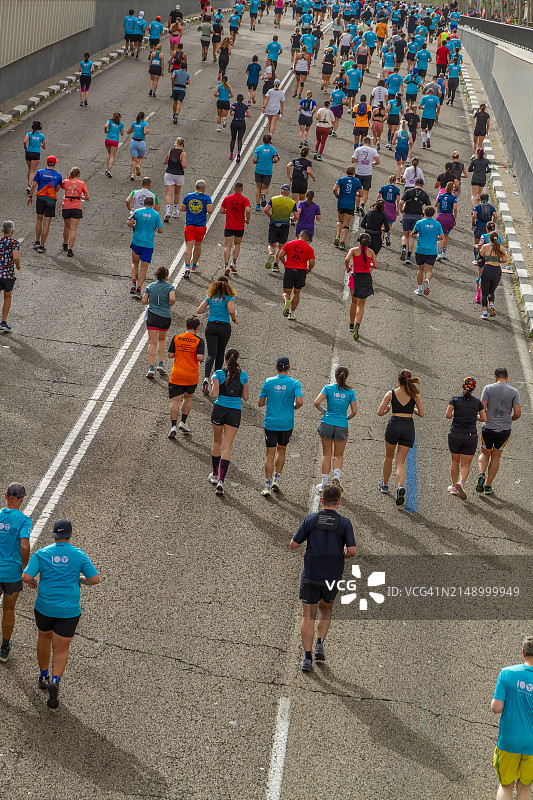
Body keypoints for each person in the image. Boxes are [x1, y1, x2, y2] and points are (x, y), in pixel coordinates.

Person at [22, 518, 99, 709]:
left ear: (53, 534)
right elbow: (95, 579)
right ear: (70, 535)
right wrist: (79, 580)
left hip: (45, 607)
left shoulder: (42, 553)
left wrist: (33, 582)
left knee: (44, 637)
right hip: (69, 610)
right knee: (62, 648)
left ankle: (43, 675)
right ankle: (55, 681)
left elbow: (26, 577)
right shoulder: (79, 555)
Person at [290, 483, 356, 672]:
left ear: (321, 501)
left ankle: (307, 658)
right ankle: (320, 643)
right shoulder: (344, 523)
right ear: (339, 502)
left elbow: (293, 544)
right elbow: (352, 550)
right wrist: (344, 552)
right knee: (325, 608)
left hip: (311, 573)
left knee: (307, 614)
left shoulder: (311, 519)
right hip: (332, 576)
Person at [491, 636, 533, 800]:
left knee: (506, 785)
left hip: (509, 742)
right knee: (524, 787)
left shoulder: (507, 673)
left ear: (523, 652)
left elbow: (496, 707)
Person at [377, 369, 424, 506]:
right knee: (400, 461)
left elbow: (380, 412)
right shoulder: (414, 395)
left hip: (394, 426)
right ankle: (400, 486)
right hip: (408, 428)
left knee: (388, 457)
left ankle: (385, 485)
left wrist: (388, 410)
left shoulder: (391, 394)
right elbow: (421, 413)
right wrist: (411, 409)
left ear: (398, 380)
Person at [258, 357, 304, 496]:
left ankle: (267, 485)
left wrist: (270, 400)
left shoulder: (268, 381)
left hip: (271, 423)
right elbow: (300, 402)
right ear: (289, 368)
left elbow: (260, 403)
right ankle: (276, 479)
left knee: (269, 453)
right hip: (286, 423)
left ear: (276, 367)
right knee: (282, 450)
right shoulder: (295, 383)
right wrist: (293, 407)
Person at [209, 348, 249, 495]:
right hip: (234, 412)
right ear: (237, 360)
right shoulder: (243, 375)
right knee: (227, 446)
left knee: (217, 442)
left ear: (224, 359)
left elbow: (215, 394)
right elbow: (245, 397)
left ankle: (214, 474)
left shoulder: (218, 373)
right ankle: (221, 480)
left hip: (219, 409)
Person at [477, 368, 521, 496]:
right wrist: (510, 419)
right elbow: (517, 413)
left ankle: (481, 474)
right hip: (504, 430)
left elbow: (482, 407)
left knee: (485, 453)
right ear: (507, 377)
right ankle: (488, 486)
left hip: (488, 427)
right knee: (496, 455)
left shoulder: (488, 388)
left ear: (495, 377)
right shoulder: (514, 392)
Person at [0, 482, 31, 663]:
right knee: (9, 609)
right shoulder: (24, 520)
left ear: (6, 496)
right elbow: (24, 546)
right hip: (12, 573)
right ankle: (4, 647)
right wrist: (24, 566)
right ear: (22, 499)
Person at [314, 366, 357, 492]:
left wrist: (323, 411)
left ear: (335, 375)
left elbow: (316, 402)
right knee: (338, 454)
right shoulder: (350, 392)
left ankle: (324, 483)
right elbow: (354, 411)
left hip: (327, 423)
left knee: (326, 454)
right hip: (342, 425)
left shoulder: (328, 388)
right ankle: (336, 477)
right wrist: (346, 418)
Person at [445, 378, 486, 499]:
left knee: (455, 460)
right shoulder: (477, 402)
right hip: (470, 436)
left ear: (462, 386)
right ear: (474, 389)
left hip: (455, 434)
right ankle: (461, 482)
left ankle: (453, 486)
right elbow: (484, 418)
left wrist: (456, 414)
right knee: (466, 463)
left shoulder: (455, 399)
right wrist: (474, 417)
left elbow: (448, 415)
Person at [197, 276, 238, 394]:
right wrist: (234, 319)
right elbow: (231, 310)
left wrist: (211, 307)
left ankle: (206, 378)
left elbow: (199, 310)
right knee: (220, 353)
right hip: (224, 326)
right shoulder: (229, 297)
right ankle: (216, 380)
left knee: (211, 354)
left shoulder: (211, 296)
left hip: (211, 326)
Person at [167, 316, 205, 438]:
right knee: (187, 398)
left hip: (177, 374)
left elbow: (170, 355)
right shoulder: (199, 341)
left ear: (186, 326)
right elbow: (200, 357)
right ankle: (183, 422)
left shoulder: (177, 338)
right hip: (191, 376)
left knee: (175, 400)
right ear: (198, 328)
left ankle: (173, 426)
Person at [142, 266, 176, 379]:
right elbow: (172, 299)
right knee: (161, 339)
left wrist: (151, 303)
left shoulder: (150, 286)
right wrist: (169, 305)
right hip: (165, 316)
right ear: (166, 276)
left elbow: (144, 301)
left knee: (152, 342)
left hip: (152, 316)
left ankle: (151, 366)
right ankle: (160, 363)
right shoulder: (170, 287)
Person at [127, 196, 163, 297]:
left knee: (134, 263)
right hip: (148, 244)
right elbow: (161, 230)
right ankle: (139, 288)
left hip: (136, 241)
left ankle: (133, 281)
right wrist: (155, 228)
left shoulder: (137, 211)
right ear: (153, 205)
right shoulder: (156, 214)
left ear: (144, 203)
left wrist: (135, 227)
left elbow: (129, 222)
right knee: (144, 267)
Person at [345, 232, 379, 339]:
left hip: (355, 277)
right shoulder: (371, 252)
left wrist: (348, 268)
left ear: (359, 241)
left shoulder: (354, 250)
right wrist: (367, 263)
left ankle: (351, 324)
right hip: (366, 279)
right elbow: (376, 266)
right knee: (361, 305)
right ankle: (357, 324)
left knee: (354, 302)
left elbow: (346, 259)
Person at [27, 155, 63, 254]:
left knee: (39, 220)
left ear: (47, 163)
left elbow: (34, 185)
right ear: (54, 163)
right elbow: (57, 189)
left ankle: (37, 241)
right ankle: (42, 246)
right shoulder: (58, 175)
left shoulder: (40, 172)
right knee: (47, 223)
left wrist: (30, 197)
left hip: (40, 197)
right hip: (51, 199)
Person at [180, 180, 213, 278]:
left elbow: (182, 209)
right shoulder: (207, 198)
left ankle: (186, 267)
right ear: (204, 188)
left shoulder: (188, 196)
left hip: (189, 225)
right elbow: (210, 210)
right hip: (200, 226)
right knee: (197, 246)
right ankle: (194, 265)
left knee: (189, 246)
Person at [279, 230, 315, 320]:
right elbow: (312, 262)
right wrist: (308, 270)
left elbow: (281, 255)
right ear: (307, 239)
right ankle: (292, 313)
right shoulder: (309, 248)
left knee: (286, 292)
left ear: (298, 235)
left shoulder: (289, 244)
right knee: (297, 293)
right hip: (301, 272)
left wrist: (285, 264)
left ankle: (287, 301)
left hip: (289, 270)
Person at [411, 206, 444, 297]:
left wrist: (419, 236)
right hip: (432, 250)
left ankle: (419, 289)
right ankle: (427, 280)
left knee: (420, 269)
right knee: (429, 269)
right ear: (433, 214)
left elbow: (413, 234)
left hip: (421, 249)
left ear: (424, 213)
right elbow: (442, 237)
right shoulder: (437, 224)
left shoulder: (419, 223)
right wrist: (435, 238)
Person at [264, 185, 298, 271]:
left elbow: (266, 209)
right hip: (284, 226)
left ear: (281, 191)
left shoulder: (274, 199)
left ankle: (271, 254)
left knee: (271, 244)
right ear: (289, 192)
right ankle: (276, 264)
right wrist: (292, 220)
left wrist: (271, 216)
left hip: (273, 224)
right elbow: (296, 216)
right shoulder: (292, 202)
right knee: (281, 247)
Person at [221, 181, 251, 275]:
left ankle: (226, 266)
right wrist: (247, 219)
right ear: (242, 189)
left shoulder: (227, 198)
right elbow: (248, 210)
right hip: (239, 226)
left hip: (229, 226)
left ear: (234, 188)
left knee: (227, 246)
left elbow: (221, 211)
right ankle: (234, 263)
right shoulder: (245, 199)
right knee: (237, 244)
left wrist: (228, 212)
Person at [399, 178, 431, 264]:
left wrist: (400, 210)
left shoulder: (409, 191)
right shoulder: (425, 194)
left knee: (405, 235)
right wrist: (424, 212)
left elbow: (401, 202)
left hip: (407, 215)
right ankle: (408, 257)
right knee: (411, 236)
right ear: (423, 185)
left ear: (415, 184)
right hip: (417, 217)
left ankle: (404, 248)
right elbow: (429, 207)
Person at [60, 167, 89, 257]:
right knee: (73, 229)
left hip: (66, 205)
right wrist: (83, 197)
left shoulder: (66, 181)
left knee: (66, 226)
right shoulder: (81, 183)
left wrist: (67, 177)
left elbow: (61, 186)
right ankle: (70, 249)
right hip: (76, 207)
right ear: (79, 175)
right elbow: (87, 197)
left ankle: (65, 243)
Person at [333, 166, 362, 250]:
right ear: (354, 173)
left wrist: (337, 195)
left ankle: (337, 235)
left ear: (346, 172)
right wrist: (355, 194)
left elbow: (334, 189)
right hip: (350, 205)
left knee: (340, 220)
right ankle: (342, 242)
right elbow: (361, 194)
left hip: (341, 203)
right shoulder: (357, 181)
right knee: (346, 224)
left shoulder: (341, 179)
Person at [0, 221, 21, 333]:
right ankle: (3, 322)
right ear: (12, 232)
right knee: (7, 297)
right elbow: (16, 257)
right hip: (8, 274)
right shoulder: (14, 242)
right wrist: (18, 266)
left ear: (2, 230)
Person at [351, 137, 380, 215]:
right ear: (369, 143)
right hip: (368, 174)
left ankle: (356, 209)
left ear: (363, 142)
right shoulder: (373, 150)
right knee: (366, 191)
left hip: (359, 173)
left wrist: (359, 160)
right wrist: (371, 163)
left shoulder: (358, 149)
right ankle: (362, 205)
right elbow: (378, 161)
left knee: (358, 191)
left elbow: (353, 160)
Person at [253, 133, 279, 211]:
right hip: (267, 171)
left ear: (263, 140)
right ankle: (263, 195)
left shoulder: (258, 149)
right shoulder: (273, 149)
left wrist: (257, 162)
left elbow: (254, 160)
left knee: (258, 187)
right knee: (265, 187)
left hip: (259, 169)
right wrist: (272, 162)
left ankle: (257, 205)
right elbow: (276, 159)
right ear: (270, 141)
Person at [163, 137, 186, 223]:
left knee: (169, 193)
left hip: (169, 173)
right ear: (182, 144)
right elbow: (184, 165)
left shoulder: (170, 151)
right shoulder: (183, 153)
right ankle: (175, 211)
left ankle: (167, 212)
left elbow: (165, 162)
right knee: (177, 193)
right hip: (179, 174)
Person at [435, 181, 457, 260]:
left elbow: (436, 204)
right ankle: (444, 252)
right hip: (449, 217)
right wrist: (455, 217)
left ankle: (439, 252)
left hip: (440, 216)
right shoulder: (453, 197)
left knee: (440, 235)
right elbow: (455, 208)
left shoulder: (441, 196)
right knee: (446, 235)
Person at [23, 121, 46, 195]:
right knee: (33, 171)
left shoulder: (29, 134)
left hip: (28, 153)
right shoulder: (41, 136)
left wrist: (25, 148)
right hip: (36, 154)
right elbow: (44, 147)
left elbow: (24, 141)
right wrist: (40, 144)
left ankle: (28, 184)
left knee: (29, 169)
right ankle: (29, 185)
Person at [127, 111, 149, 181]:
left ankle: (132, 174)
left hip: (134, 142)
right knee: (140, 157)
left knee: (134, 159)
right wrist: (148, 131)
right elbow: (145, 132)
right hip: (141, 142)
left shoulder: (134, 123)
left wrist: (134, 130)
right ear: (144, 117)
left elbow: (128, 132)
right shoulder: (145, 124)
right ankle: (138, 166)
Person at [229, 94, 250, 162]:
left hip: (235, 122)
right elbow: (249, 115)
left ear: (237, 99)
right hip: (242, 123)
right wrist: (243, 115)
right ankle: (238, 153)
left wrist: (232, 110)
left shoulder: (234, 105)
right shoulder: (245, 106)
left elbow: (232, 114)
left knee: (233, 138)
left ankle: (231, 153)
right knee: (240, 139)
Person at [171, 59, 191, 123]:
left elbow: (172, 77)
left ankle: (174, 114)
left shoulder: (176, 71)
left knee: (175, 102)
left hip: (175, 88)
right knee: (179, 103)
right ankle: (177, 114)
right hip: (182, 89)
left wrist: (173, 83)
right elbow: (188, 82)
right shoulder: (187, 74)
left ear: (180, 66)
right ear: (185, 67)